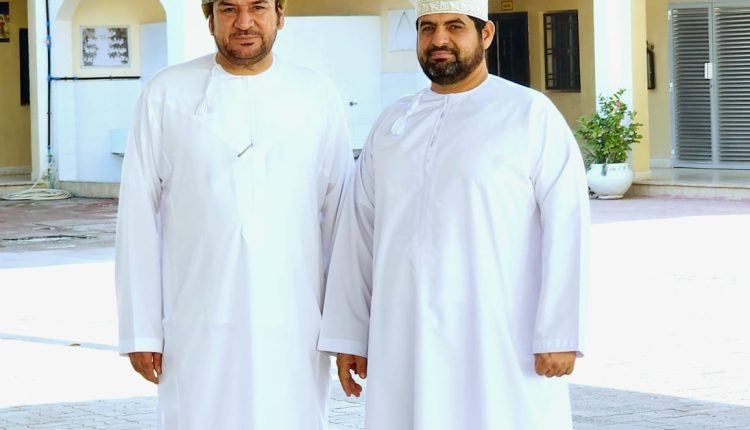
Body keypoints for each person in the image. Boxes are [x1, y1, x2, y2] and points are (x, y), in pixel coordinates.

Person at [318, 0, 590, 428]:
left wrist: (559, 333)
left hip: (499, 337)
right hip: (403, 334)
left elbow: (567, 225)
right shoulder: (392, 123)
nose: (438, 39)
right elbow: (359, 233)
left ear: (486, 34)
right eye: (427, 28)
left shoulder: (529, 114)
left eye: (454, 26)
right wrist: (350, 335)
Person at [115, 0, 352, 428]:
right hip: (197, 319)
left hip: (294, 322)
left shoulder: (317, 94)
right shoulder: (166, 93)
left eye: (258, 7)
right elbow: (136, 216)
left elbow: (341, 218)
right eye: (228, 9)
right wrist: (141, 329)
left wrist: (346, 328)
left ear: (280, 14)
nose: (244, 22)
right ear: (210, 19)